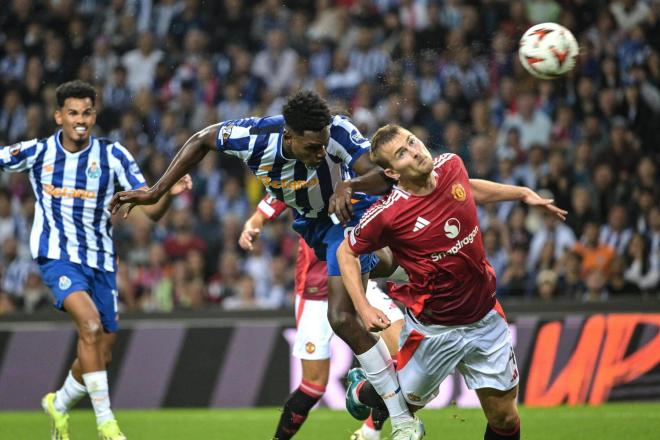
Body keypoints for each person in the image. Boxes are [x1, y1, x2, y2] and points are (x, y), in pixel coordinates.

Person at [110, 90, 423, 439]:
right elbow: (201, 139)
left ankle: (402, 422)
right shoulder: (254, 137)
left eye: (323, 145)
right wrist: (156, 191)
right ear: (288, 136)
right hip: (312, 226)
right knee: (363, 291)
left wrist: (349, 184)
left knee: (341, 316)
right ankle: (413, 270)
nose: (321, 153)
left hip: (348, 213)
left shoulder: (336, 132)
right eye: (312, 148)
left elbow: (384, 176)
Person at [337, 124, 567, 440]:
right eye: (402, 153)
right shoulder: (388, 214)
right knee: (404, 402)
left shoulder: (451, 165)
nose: (416, 151)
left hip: (485, 319)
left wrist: (522, 194)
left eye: (412, 141)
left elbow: (468, 187)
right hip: (434, 330)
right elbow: (346, 251)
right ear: (391, 172)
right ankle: (363, 390)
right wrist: (362, 307)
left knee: (504, 416)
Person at [0, 80, 191, 440]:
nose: (80, 119)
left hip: (101, 261)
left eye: (87, 112)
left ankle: (58, 403)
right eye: (72, 112)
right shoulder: (38, 152)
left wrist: (170, 190)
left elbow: (149, 211)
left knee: (100, 354)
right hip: (57, 256)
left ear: (94, 114)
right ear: (59, 116)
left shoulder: (113, 155)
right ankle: (106, 423)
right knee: (89, 327)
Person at [240, 194, 404, 440]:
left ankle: (371, 430)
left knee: (401, 353)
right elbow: (276, 195)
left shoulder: (356, 168)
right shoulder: (305, 174)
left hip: (357, 279)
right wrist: (255, 222)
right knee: (313, 386)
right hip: (316, 291)